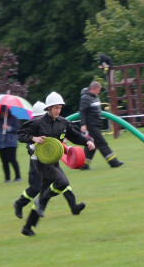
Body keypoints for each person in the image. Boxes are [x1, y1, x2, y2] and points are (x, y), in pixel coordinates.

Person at [14, 91, 94, 236]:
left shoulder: (63, 123)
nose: (58, 110)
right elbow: (20, 134)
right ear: (49, 108)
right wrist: (34, 138)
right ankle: (42, 201)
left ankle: (27, 227)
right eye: (55, 108)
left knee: (46, 191)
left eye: (60, 108)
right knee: (63, 182)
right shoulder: (38, 123)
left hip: (54, 161)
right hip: (41, 162)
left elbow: (76, 135)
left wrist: (88, 140)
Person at [78, 80, 123, 169]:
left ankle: (84, 164)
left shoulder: (95, 97)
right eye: (97, 90)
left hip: (96, 124)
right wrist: (83, 124)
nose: (98, 92)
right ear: (92, 89)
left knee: (91, 145)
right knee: (102, 143)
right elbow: (82, 111)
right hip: (91, 125)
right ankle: (113, 162)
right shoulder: (85, 98)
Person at [0, 108, 21, 183]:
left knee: (12, 160)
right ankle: (7, 178)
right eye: (2, 113)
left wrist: (8, 128)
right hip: (1, 143)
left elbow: (18, 129)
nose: (3, 114)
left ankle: (18, 177)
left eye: (4, 112)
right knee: (4, 162)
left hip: (11, 143)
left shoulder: (13, 118)